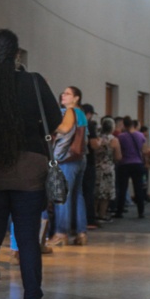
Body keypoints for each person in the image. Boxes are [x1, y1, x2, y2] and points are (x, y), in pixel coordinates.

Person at [0, 29, 61, 299]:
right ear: (16, 52)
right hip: (29, 168)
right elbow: (55, 118)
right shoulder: (34, 83)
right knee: (27, 237)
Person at [50, 87, 88, 245]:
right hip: (80, 157)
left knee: (62, 196)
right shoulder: (82, 114)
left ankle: (61, 233)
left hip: (67, 159)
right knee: (77, 196)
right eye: (63, 92)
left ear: (76, 98)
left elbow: (64, 130)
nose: (62, 95)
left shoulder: (68, 112)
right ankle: (81, 233)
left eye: (67, 93)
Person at [114, 116, 147, 219]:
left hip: (124, 164)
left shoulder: (121, 137)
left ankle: (119, 211)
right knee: (138, 188)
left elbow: (119, 151)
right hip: (137, 163)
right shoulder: (140, 135)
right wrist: (146, 162)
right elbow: (144, 151)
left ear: (124, 125)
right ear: (133, 124)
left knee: (122, 188)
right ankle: (141, 212)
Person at [94, 116, 122, 222]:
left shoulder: (97, 139)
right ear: (112, 128)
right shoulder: (114, 140)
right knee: (105, 194)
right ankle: (102, 215)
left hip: (96, 168)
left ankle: (93, 214)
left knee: (95, 193)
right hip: (108, 169)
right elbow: (118, 157)